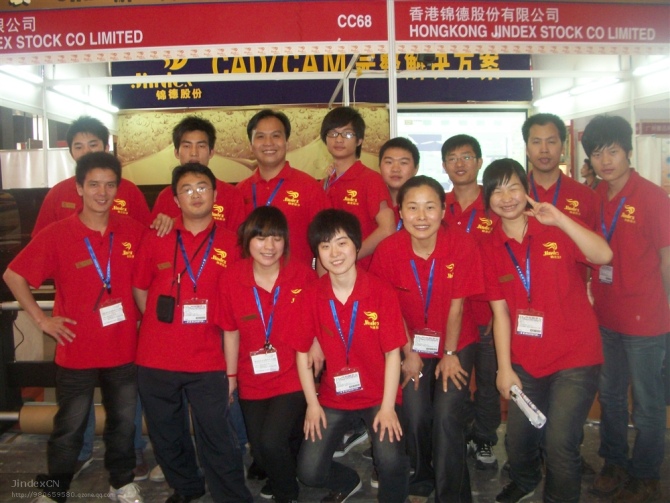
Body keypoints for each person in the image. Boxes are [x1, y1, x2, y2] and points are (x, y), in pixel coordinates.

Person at [4, 152, 146, 503]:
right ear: (79, 188)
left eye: (110, 185)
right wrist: (41, 320)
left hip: (124, 349)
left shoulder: (133, 231)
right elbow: (13, 275)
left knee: (124, 424)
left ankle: (121, 483)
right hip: (76, 350)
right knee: (69, 427)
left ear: (118, 189)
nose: (102, 192)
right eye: (94, 184)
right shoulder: (58, 234)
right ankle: (55, 491)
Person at [480, 158, 612, 503]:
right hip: (526, 359)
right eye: (497, 191)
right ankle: (525, 481)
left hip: (575, 355)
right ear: (487, 199)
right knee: (518, 440)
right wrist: (504, 368)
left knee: (559, 443)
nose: (506, 197)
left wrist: (561, 220)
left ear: (527, 191)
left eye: (513, 187)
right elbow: (500, 313)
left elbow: (603, 255)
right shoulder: (490, 246)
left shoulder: (553, 227)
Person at [132, 163, 252, 503]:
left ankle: (231, 496)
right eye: (186, 189)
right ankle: (186, 487)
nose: (195, 194)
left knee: (217, 435)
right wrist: (161, 324)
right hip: (156, 357)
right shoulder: (157, 236)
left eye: (202, 187)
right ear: (175, 199)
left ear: (214, 194)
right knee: (166, 434)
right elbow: (140, 288)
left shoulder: (233, 243)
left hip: (210, 358)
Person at [370, 176, 485, 501]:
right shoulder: (389, 250)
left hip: (455, 343)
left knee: (447, 415)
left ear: (443, 211)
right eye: (413, 208)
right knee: (415, 411)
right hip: (411, 343)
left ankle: (452, 494)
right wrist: (408, 352)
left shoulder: (461, 244)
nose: (421, 217)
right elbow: (390, 310)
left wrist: (449, 353)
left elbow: (457, 307)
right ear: (401, 212)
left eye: (430, 207)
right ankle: (421, 474)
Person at [292, 209, 409, 503]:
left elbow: (393, 354)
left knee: (391, 462)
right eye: (325, 246)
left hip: (378, 393)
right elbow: (301, 352)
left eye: (342, 243)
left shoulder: (381, 291)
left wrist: (388, 407)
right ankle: (348, 481)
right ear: (317, 253)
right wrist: (312, 404)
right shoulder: (311, 294)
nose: (335, 253)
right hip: (334, 396)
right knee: (308, 471)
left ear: (357, 246)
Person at [581, 115, 670, 503]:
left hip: (646, 320)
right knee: (611, 395)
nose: (605, 161)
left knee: (647, 404)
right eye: (597, 153)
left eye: (612, 151)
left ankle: (646, 474)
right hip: (606, 316)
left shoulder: (652, 197)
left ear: (628, 152)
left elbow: (667, 260)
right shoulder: (595, 195)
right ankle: (614, 462)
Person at [219, 206, 316, 503]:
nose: (269, 246)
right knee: (260, 450)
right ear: (247, 240)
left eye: (276, 238)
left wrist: (317, 346)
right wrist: (231, 377)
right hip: (252, 377)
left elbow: (319, 317)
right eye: (261, 238)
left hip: (293, 373)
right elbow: (231, 332)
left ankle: (288, 494)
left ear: (285, 240)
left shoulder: (302, 274)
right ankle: (284, 472)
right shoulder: (231, 278)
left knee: (272, 442)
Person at [441, 134, 501, 471]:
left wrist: (498, 309)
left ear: (479, 162)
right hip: (454, 314)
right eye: (452, 158)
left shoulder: (495, 205)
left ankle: (485, 438)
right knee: (458, 382)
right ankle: (461, 433)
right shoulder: (438, 206)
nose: (460, 163)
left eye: (466, 156)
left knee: (489, 382)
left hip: (490, 311)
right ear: (444, 165)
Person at [236, 109, 329, 268]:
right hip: (250, 281)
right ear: (251, 145)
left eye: (276, 135)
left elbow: (325, 242)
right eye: (260, 136)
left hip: (298, 281)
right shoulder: (239, 191)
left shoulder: (309, 188)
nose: (268, 142)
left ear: (287, 142)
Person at [32, 116, 152, 236]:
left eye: (93, 145)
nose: (86, 152)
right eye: (79, 147)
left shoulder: (130, 191)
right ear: (71, 152)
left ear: (106, 148)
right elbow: (40, 240)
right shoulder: (57, 194)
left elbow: (146, 234)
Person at [321, 106, 395, 270]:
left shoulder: (371, 180)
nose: (339, 139)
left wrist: (351, 256)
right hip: (332, 273)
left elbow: (387, 229)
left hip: (364, 271)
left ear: (359, 140)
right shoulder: (324, 184)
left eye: (347, 134)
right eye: (332, 133)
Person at [150, 115, 246, 234]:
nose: (194, 153)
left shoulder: (232, 195)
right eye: (187, 146)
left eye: (201, 146)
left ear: (211, 152)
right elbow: (154, 237)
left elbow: (238, 240)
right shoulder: (165, 197)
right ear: (176, 152)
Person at [522, 113, 599, 230]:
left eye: (551, 142)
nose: (544, 149)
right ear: (527, 149)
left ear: (563, 147)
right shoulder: (515, 195)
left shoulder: (587, 196)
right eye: (536, 142)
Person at [378, 137, 420, 227]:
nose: (395, 169)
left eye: (403, 163)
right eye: (389, 162)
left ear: (416, 168)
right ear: (379, 166)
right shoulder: (373, 203)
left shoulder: (424, 206)